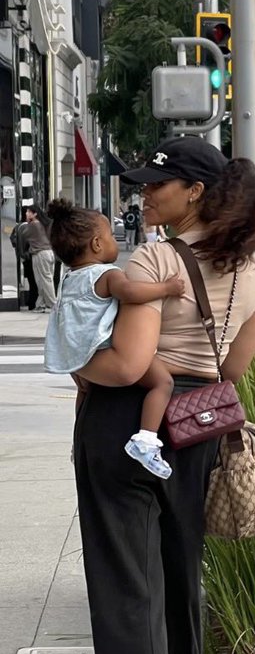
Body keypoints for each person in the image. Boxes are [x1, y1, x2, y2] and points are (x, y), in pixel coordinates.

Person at [72, 137, 255, 654]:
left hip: (129, 425)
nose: (144, 194)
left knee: (127, 587)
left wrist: (74, 366)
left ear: (196, 191)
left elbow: (128, 365)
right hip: (200, 427)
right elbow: (234, 368)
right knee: (180, 581)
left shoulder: (154, 257)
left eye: (157, 184)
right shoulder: (250, 270)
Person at [44, 199, 186, 479]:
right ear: (97, 244)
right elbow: (131, 292)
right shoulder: (107, 274)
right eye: (110, 236)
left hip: (79, 358)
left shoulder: (70, 278)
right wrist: (167, 287)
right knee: (162, 382)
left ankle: (79, 440)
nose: (114, 242)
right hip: (105, 354)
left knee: (85, 393)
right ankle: (146, 440)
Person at [24, 205, 57, 311]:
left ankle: (53, 304)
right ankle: (40, 304)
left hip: (40, 254)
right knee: (44, 279)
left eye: (29, 212)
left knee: (44, 280)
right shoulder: (44, 224)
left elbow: (24, 235)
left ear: (35, 214)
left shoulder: (33, 224)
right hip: (49, 253)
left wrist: (27, 222)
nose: (26, 214)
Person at [10, 214, 39, 310]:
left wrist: (19, 250)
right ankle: (32, 302)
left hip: (22, 258)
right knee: (34, 281)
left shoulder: (17, 227)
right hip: (31, 257)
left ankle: (29, 301)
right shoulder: (30, 228)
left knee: (29, 280)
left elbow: (12, 239)